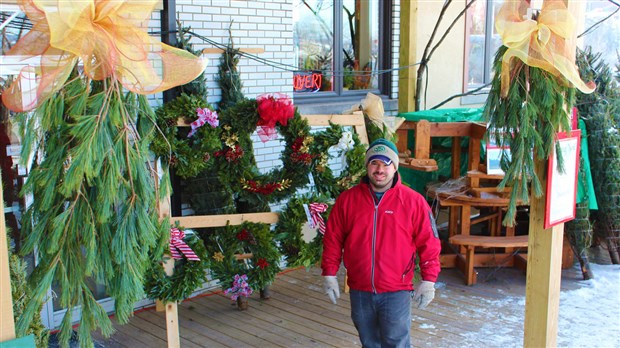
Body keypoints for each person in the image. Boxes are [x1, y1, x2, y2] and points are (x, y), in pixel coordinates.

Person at [321, 138, 441, 348]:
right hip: (360, 288)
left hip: (396, 289)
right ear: (367, 166)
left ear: (395, 167)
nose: (380, 169)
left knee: (396, 341)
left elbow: (429, 241)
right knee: (368, 341)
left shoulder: (413, 202)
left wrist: (429, 280)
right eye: (375, 162)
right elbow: (333, 238)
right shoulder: (348, 200)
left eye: (386, 163)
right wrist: (330, 274)